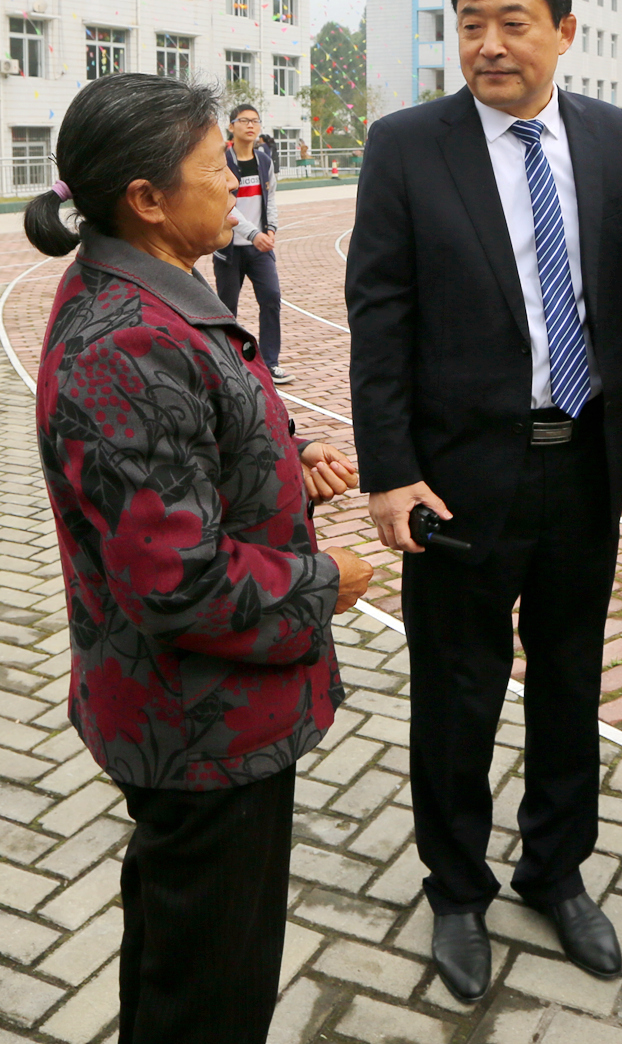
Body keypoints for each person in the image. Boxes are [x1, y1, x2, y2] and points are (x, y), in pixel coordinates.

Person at [346, 0, 622, 1003]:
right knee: (457, 690)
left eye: (512, 22)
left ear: (564, 31)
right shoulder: (408, 146)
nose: (488, 44)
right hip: (458, 478)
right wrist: (389, 473)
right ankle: (456, 889)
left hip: (582, 463)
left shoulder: (608, 136)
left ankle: (555, 870)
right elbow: (378, 317)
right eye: (470, 24)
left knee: (570, 681)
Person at [26, 74, 374, 1044]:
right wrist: (326, 584)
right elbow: (179, 580)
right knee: (211, 992)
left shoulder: (150, 298)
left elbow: (192, 444)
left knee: (182, 952)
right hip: (200, 729)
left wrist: (289, 458)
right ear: (146, 197)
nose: (237, 184)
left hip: (205, 716)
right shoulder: (127, 341)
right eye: (218, 168)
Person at [213, 104, 294, 384]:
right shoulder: (222, 162)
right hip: (228, 248)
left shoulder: (264, 161)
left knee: (271, 299)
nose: (250, 125)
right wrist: (253, 234)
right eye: (244, 120)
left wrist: (270, 229)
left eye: (255, 121)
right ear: (231, 126)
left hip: (260, 248)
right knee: (227, 308)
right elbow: (225, 205)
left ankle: (270, 363)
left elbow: (270, 198)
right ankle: (227, 364)